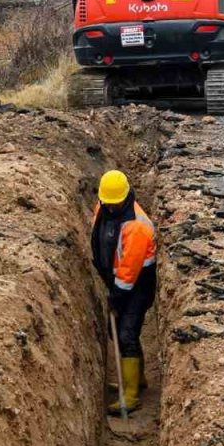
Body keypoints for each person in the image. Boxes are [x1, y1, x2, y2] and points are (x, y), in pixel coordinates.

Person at [90, 170, 157, 414]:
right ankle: (136, 380)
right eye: (106, 203)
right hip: (118, 281)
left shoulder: (137, 226)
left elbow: (129, 271)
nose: (109, 207)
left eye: (113, 203)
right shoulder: (104, 207)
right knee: (118, 331)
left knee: (126, 333)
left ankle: (130, 395)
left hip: (137, 284)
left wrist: (116, 298)